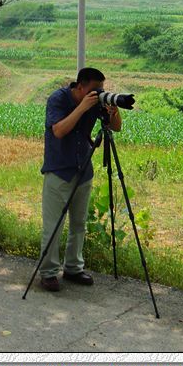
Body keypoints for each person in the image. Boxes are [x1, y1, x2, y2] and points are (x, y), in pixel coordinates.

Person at [39, 67, 121, 292]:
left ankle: (74, 267)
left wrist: (113, 111)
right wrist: (83, 107)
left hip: (83, 169)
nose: (98, 94)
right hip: (58, 170)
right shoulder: (58, 99)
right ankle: (48, 272)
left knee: (78, 223)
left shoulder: (96, 102)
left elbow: (116, 128)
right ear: (80, 86)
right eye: (95, 90)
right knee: (53, 225)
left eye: (101, 90)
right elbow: (58, 130)